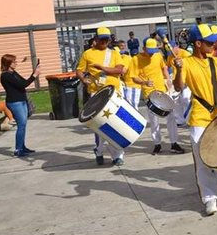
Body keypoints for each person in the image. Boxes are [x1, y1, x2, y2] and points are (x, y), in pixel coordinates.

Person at [173, 23, 217, 216]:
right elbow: (178, 87)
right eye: (210, 42)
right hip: (199, 117)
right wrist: (177, 70)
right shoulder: (187, 63)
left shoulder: (216, 62)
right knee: (203, 158)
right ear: (198, 43)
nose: (215, 44)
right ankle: (209, 197)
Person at [76, 27, 126, 165]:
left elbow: (119, 70)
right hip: (96, 93)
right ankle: (99, 150)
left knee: (116, 125)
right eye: (102, 39)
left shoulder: (114, 53)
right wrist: (83, 80)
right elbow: (79, 70)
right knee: (99, 125)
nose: (104, 41)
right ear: (96, 39)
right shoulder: (88, 54)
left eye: (107, 39)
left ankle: (117, 156)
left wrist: (102, 68)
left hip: (114, 92)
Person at [130, 37, 183, 155]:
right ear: (143, 48)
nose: (151, 54)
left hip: (163, 90)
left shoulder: (158, 55)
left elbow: (164, 67)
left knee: (171, 118)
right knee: (154, 120)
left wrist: (168, 79)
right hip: (149, 93)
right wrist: (144, 82)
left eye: (153, 51)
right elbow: (133, 77)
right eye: (149, 51)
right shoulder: (135, 59)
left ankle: (174, 143)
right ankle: (157, 144)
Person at [0, 54, 40, 157]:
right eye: (14, 61)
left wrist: (34, 73)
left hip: (21, 100)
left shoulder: (13, 73)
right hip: (14, 102)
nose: (16, 63)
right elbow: (22, 85)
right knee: (21, 125)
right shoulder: (5, 75)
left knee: (23, 125)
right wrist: (34, 75)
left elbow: (24, 82)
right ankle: (18, 150)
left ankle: (22, 147)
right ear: (8, 63)